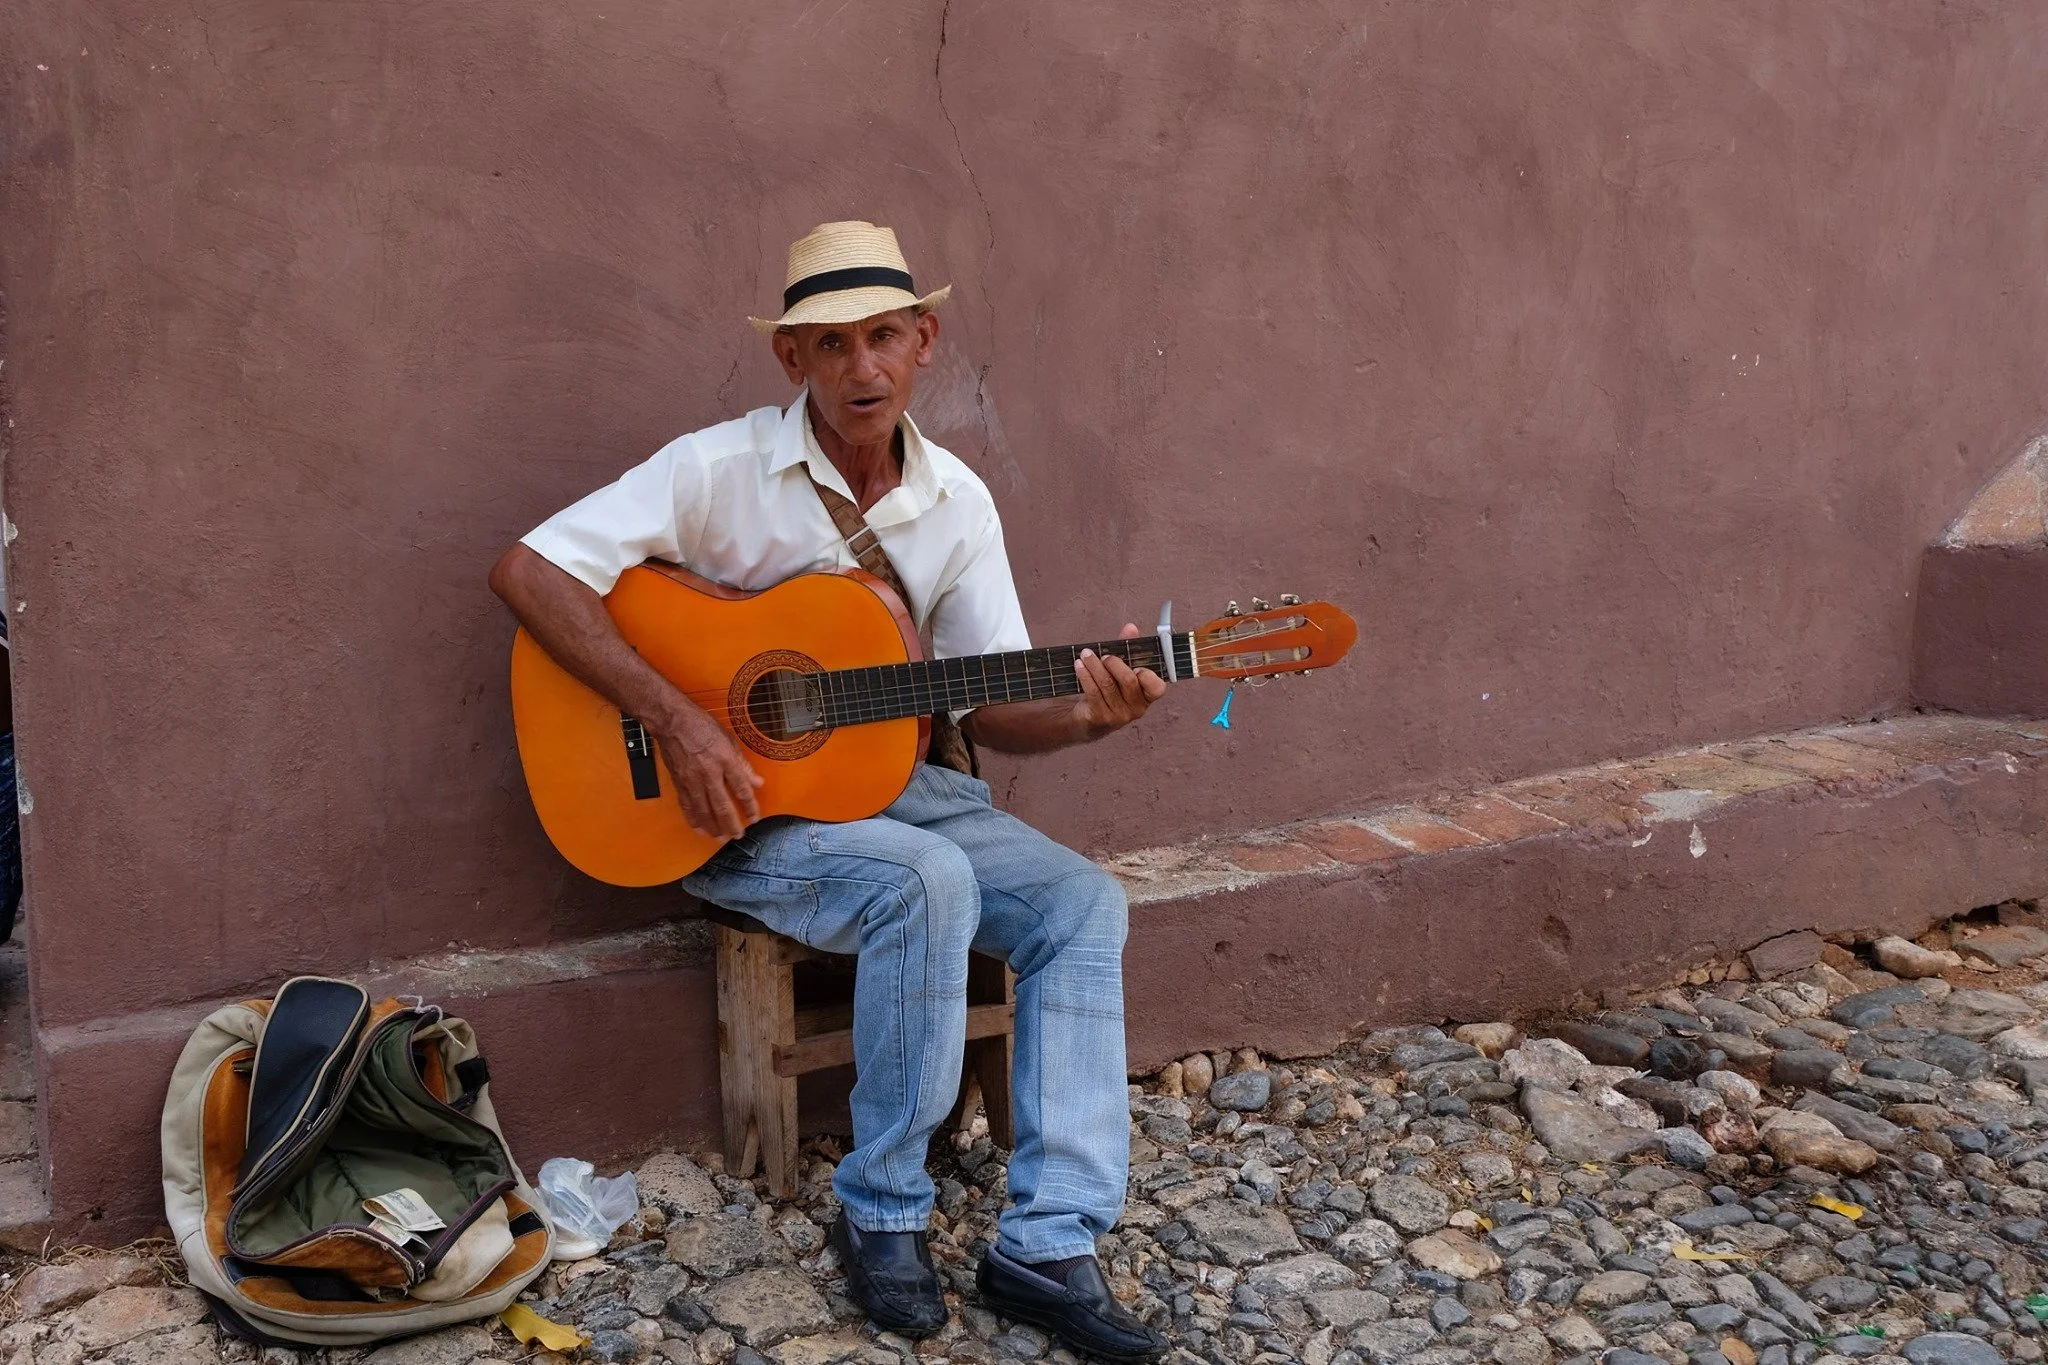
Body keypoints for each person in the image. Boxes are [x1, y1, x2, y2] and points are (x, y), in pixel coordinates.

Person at [489, 221, 1169, 1361]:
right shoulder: (716, 470)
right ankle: (883, 1210)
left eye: (884, 337)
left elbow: (989, 701)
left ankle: (1049, 1243)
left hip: (895, 791)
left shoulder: (956, 501)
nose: (862, 367)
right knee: (925, 881)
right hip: (731, 812)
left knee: (1081, 902)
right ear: (790, 357)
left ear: (923, 343)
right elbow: (529, 570)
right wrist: (678, 723)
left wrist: (1086, 717)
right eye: (832, 344)